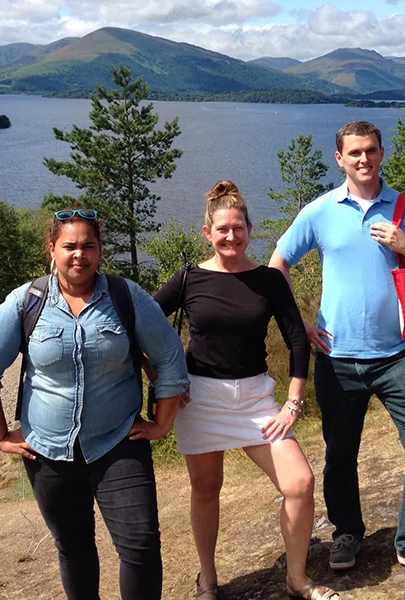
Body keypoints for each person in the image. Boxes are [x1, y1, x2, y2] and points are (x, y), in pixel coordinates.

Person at [0, 209, 189, 600]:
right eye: (69, 246)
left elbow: (170, 357)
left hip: (117, 442)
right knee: (74, 547)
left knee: (140, 546)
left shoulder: (124, 296)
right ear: (52, 249)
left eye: (89, 246)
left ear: (100, 251)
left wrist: (161, 422)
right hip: (48, 453)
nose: (79, 255)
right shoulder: (27, 301)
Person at [269, 121, 405, 575]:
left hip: (394, 355)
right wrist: (300, 326)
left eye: (370, 150)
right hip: (336, 359)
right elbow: (276, 267)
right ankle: (347, 533)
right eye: (353, 153)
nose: (363, 159)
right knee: (340, 455)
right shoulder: (319, 211)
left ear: (381, 152)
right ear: (340, 158)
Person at [154, 181, 339, 600]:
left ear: (249, 229)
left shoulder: (269, 280)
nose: (231, 236)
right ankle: (208, 579)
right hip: (199, 399)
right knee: (205, 489)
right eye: (222, 230)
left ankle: (297, 579)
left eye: (238, 228)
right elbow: (144, 322)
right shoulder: (188, 279)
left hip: (256, 399)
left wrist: (293, 402)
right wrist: (161, 377)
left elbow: (296, 339)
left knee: (299, 483)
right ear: (207, 233)